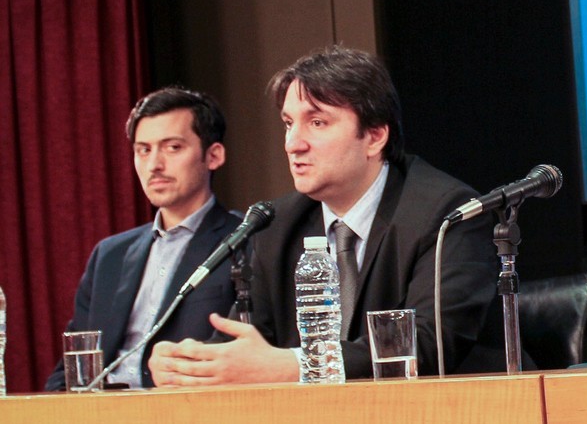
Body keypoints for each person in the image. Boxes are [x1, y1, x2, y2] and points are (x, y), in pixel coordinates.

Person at [148, 46, 497, 386]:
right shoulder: (277, 224)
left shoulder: (446, 212)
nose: (293, 143)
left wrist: (297, 365)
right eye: (288, 123)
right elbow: (248, 348)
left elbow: (429, 343)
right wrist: (189, 366)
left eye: (317, 122)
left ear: (374, 136)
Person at [45, 87, 242, 390]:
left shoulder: (244, 241)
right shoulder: (109, 255)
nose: (154, 165)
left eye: (173, 147)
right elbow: (71, 370)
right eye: (143, 150)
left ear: (213, 155)